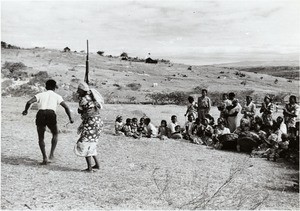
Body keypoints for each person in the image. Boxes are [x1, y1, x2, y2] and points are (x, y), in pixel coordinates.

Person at [22, 79, 74, 165]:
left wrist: (25, 111)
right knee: (55, 133)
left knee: (41, 137)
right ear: (55, 87)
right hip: (51, 114)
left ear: (46, 87)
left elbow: (29, 102)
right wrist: (70, 118)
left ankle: (44, 158)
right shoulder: (57, 96)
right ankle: (51, 155)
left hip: (41, 113)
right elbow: (66, 107)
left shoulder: (40, 95)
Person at [74, 82, 103, 172]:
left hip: (90, 123)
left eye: (79, 90)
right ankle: (97, 165)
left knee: (85, 143)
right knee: (92, 143)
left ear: (83, 91)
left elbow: (79, 110)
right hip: (98, 122)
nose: (77, 92)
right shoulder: (93, 98)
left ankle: (89, 168)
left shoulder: (83, 99)